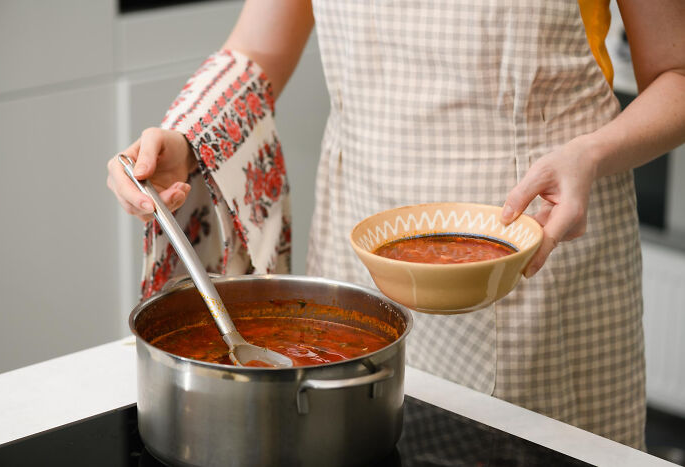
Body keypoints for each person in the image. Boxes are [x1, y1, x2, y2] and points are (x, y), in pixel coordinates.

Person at [107, 0, 685, 449]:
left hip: (541, 259)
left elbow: (677, 72)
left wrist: (592, 154)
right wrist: (186, 139)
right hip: (357, 265)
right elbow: (258, 51)